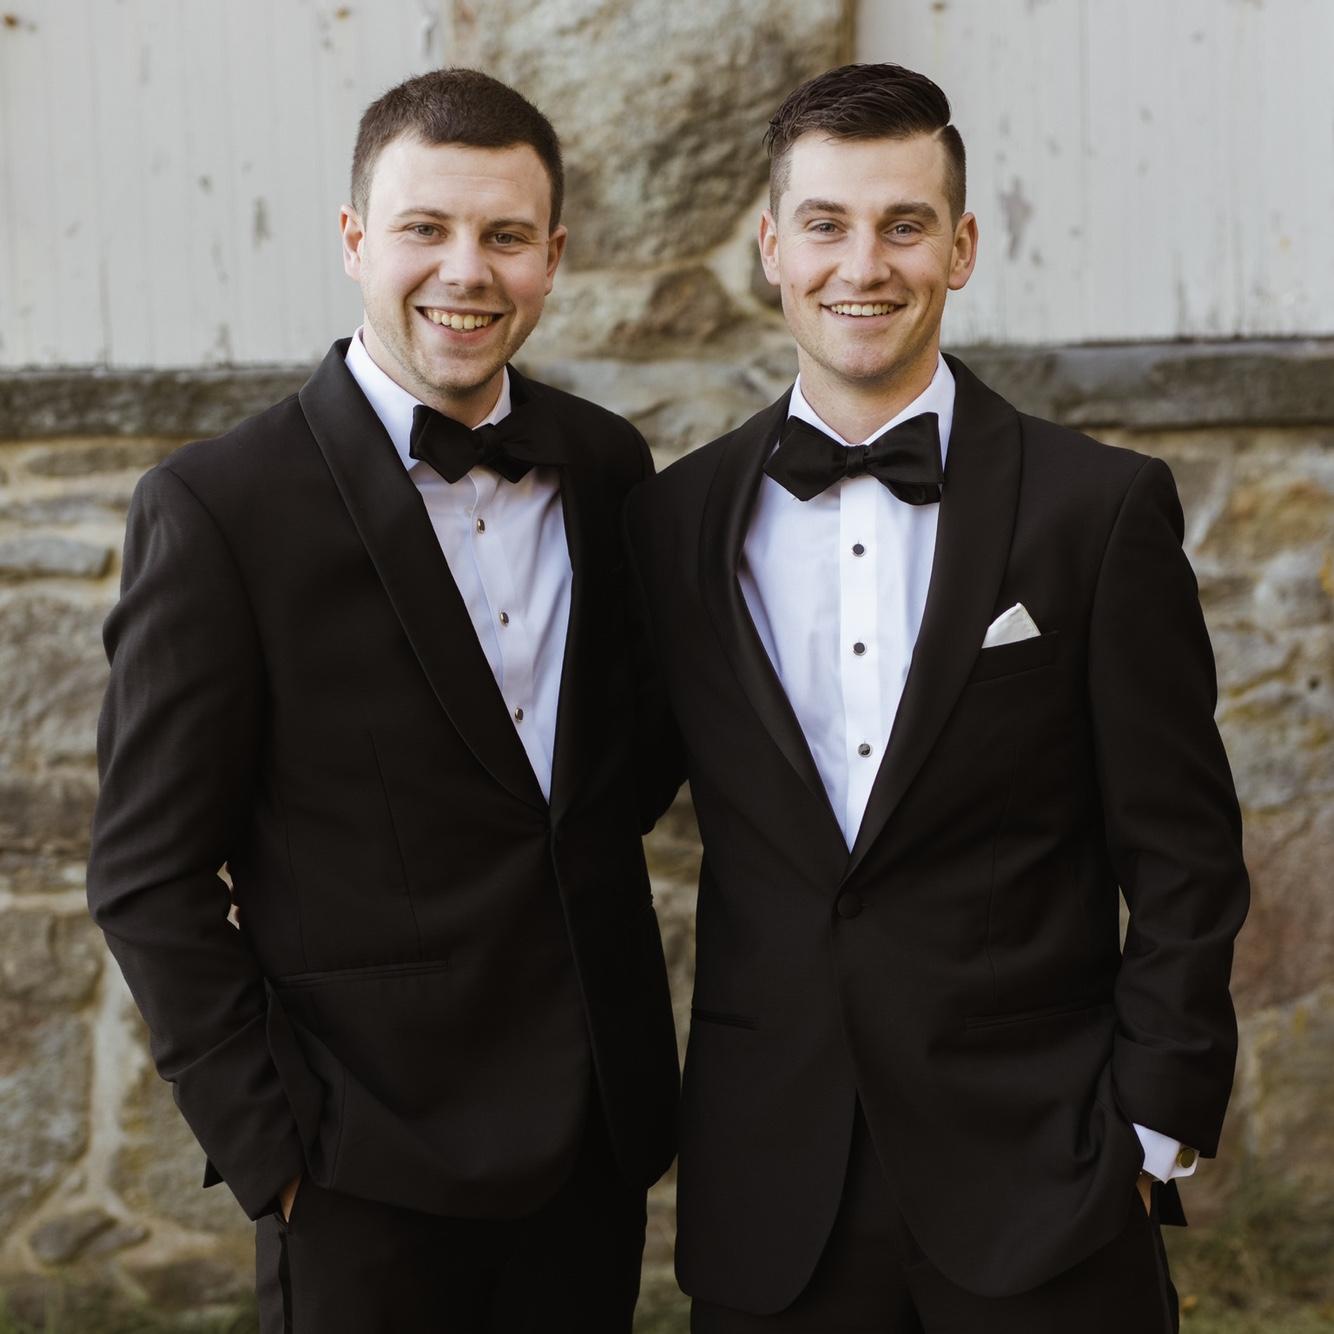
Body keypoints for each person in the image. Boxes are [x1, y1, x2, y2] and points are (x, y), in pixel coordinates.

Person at [625, 62, 1248, 1332]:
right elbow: (589, 803)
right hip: (771, 1187)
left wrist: (1151, 1129)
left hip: (1045, 1175)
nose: (863, 264)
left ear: (959, 248)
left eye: (902, 224)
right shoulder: (672, 522)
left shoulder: (1095, 510)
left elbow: (1183, 849)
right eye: (825, 224)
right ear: (770, 248)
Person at [87, 67, 678, 1333]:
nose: (466, 269)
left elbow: (615, 777)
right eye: (425, 227)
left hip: (591, 1142)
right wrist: (273, 1145)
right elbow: (146, 872)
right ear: (356, 239)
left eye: (504, 235)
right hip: (362, 1166)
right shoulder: (218, 508)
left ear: (552, 256)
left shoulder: (607, 464)